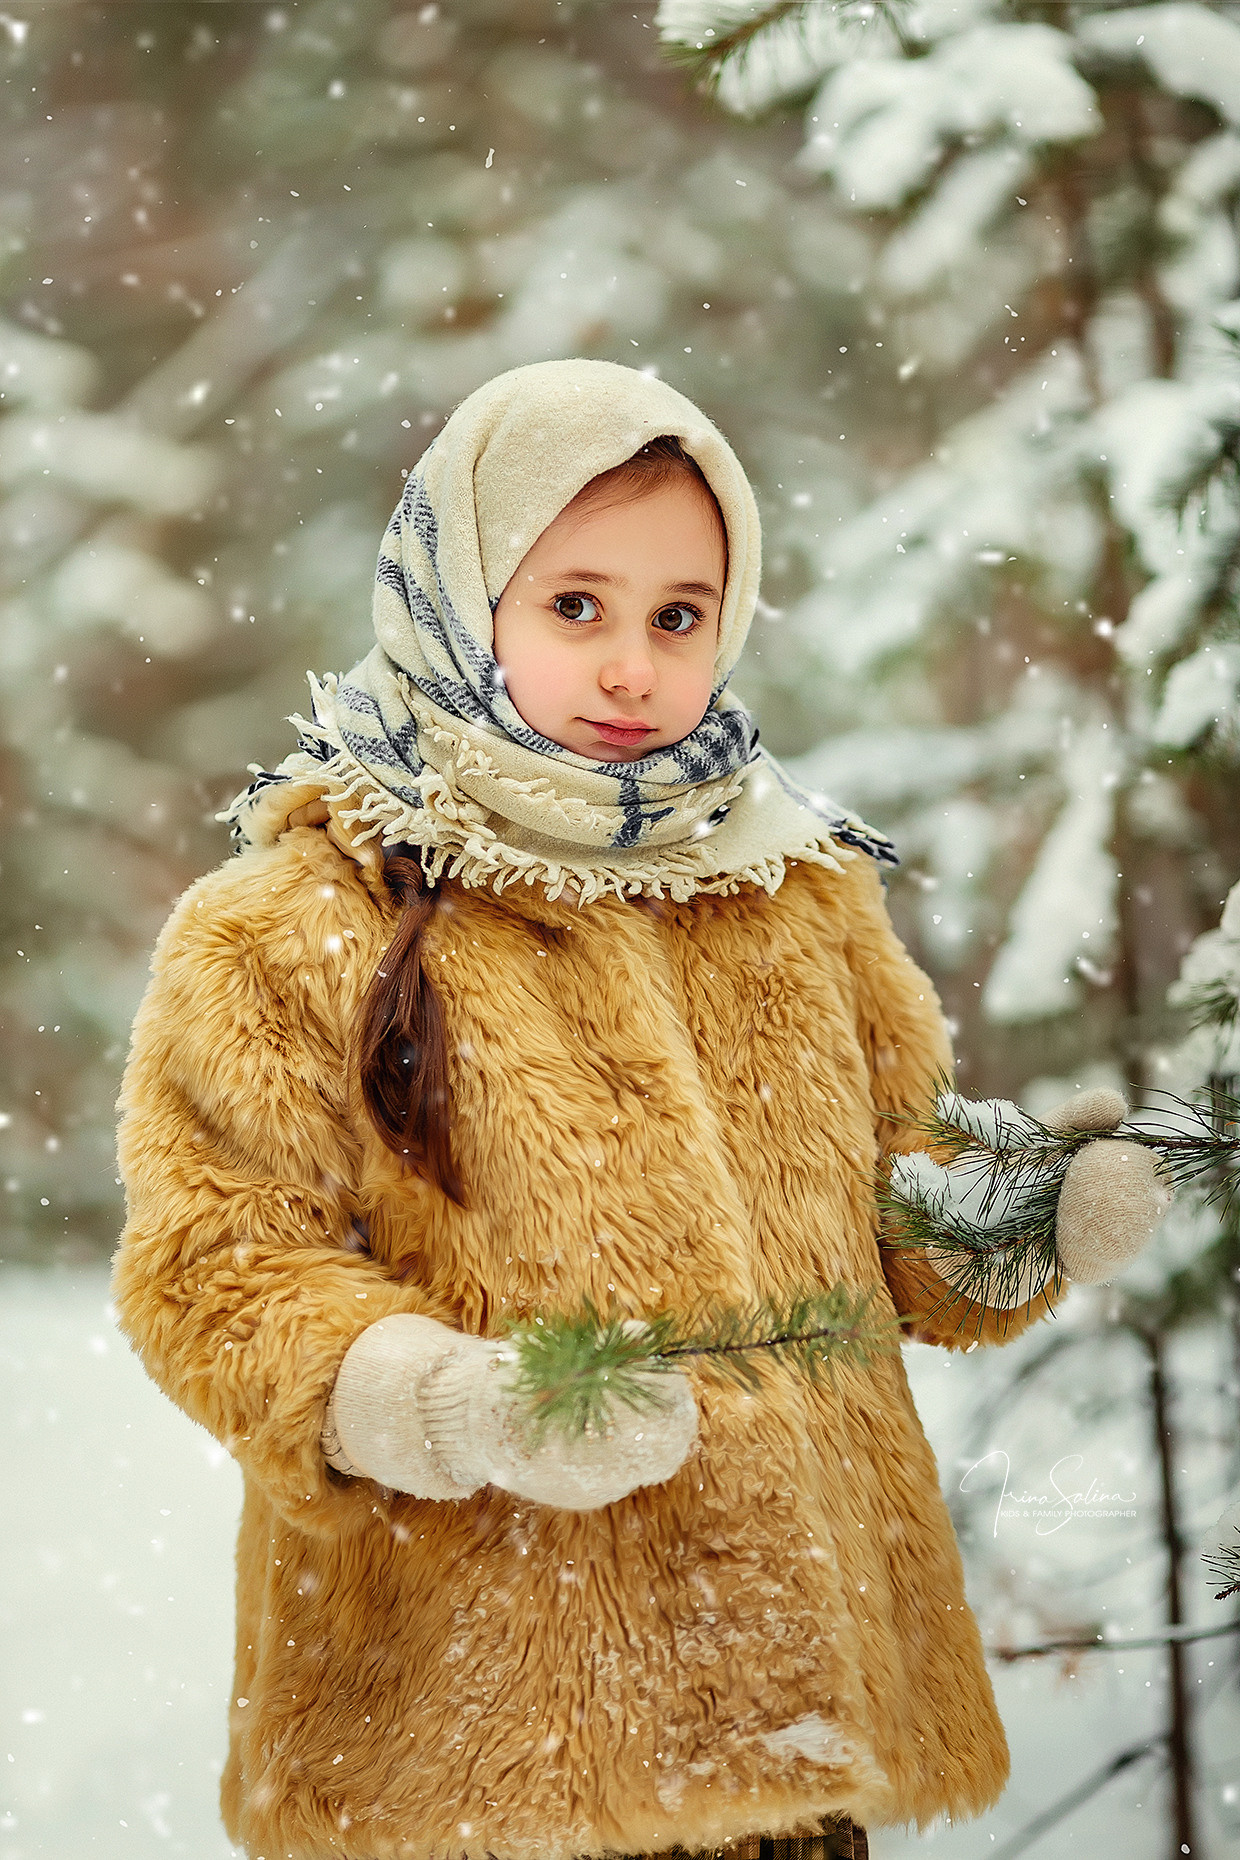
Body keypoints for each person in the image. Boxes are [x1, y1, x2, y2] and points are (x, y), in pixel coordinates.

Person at [111, 359, 1165, 1860]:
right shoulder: (290, 922)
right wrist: (446, 1402)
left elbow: (890, 1218)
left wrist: (1021, 1220)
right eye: (575, 606)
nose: (631, 670)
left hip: (794, 1717)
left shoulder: (791, 894)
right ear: (459, 592)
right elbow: (215, 1276)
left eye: (678, 615)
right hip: (481, 1736)